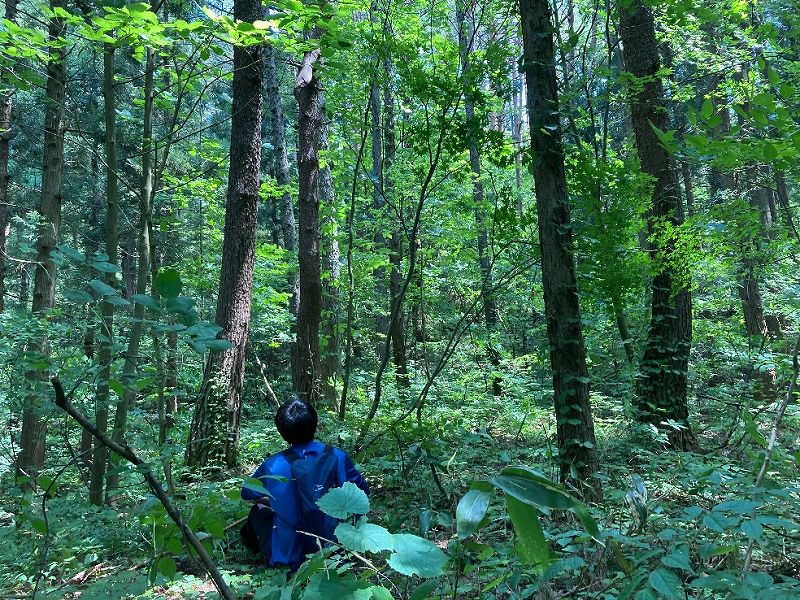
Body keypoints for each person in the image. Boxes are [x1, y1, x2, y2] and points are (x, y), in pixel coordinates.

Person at [240, 397, 369, 570]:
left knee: (259, 511)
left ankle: (270, 558)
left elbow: (246, 493)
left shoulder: (272, 466)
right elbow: (363, 492)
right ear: (315, 425)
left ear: (282, 432)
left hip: (290, 560)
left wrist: (272, 499)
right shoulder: (337, 456)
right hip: (338, 554)